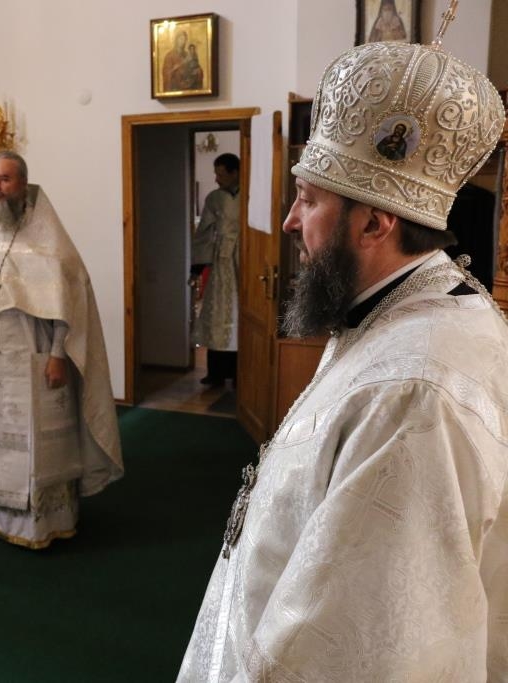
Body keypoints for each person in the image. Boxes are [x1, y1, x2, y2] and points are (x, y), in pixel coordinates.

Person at [179, 37, 508, 681]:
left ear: (375, 224)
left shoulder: (413, 393)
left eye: (308, 199)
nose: (289, 221)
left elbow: (357, 647)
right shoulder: (404, 307)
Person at [0, 152, 124, 549]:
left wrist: (57, 354)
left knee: (37, 443)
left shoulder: (48, 238)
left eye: (4, 179)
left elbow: (67, 306)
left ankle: (41, 525)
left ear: (23, 183)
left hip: (34, 357)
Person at [190, 153, 240, 387]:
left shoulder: (250, 196)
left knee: (241, 315)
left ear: (235, 173)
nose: (217, 179)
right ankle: (216, 372)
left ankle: (241, 373)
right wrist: (198, 266)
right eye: (216, 174)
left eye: (221, 174)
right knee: (217, 313)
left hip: (244, 260)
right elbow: (203, 234)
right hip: (222, 263)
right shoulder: (214, 198)